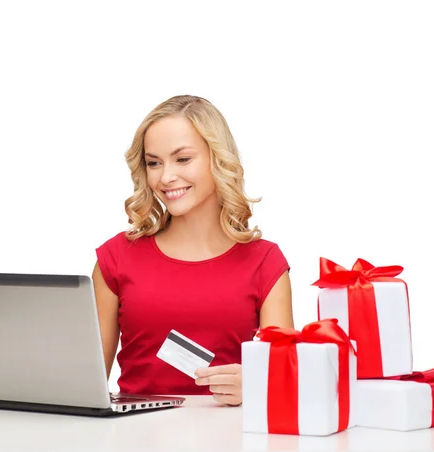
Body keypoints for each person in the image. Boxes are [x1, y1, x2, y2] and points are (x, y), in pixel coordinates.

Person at [92, 95, 293, 406]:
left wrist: (259, 384)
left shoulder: (265, 262)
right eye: (153, 162)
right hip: (136, 438)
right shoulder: (115, 258)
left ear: (218, 158)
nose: (165, 177)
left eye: (182, 159)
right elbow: (87, 384)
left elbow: (285, 383)